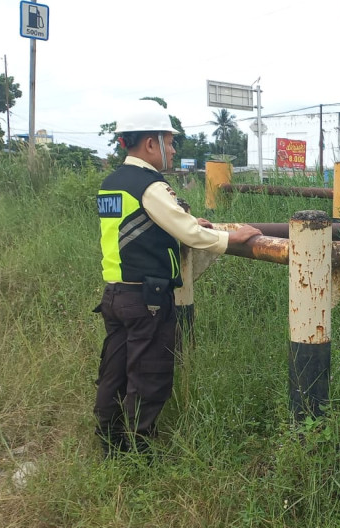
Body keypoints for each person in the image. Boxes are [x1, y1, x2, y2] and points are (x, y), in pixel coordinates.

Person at [93, 103, 261, 456]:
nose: (172, 150)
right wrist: (232, 238)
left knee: (114, 372)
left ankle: (109, 443)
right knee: (147, 375)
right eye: (169, 142)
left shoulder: (112, 184)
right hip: (147, 300)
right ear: (149, 144)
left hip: (116, 295)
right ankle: (139, 451)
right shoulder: (150, 185)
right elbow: (189, 234)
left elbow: (139, 226)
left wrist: (186, 222)